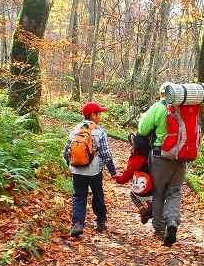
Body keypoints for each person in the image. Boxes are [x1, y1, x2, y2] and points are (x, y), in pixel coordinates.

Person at [138, 83, 186, 246]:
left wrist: (143, 117)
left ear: (162, 94)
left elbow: (143, 130)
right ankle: (172, 222)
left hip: (161, 157)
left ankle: (159, 228)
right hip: (181, 158)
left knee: (158, 193)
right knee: (174, 192)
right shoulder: (184, 108)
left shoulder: (158, 107)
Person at [63, 101, 117, 237]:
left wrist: (72, 164)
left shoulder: (75, 129)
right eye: (99, 114)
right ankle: (100, 222)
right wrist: (113, 172)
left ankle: (78, 223)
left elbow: (66, 151)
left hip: (77, 170)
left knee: (79, 196)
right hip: (94, 171)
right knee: (98, 195)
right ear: (93, 115)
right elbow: (106, 154)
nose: (100, 116)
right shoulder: (99, 131)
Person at [114, 133, 153, 224]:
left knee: (132, 194)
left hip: (141, 191)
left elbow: (125, 177)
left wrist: (117, 178)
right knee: (149, 192)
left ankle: (142, 208)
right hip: (153, 189)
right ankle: (150, 207)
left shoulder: (135, 160)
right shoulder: (151, 156)